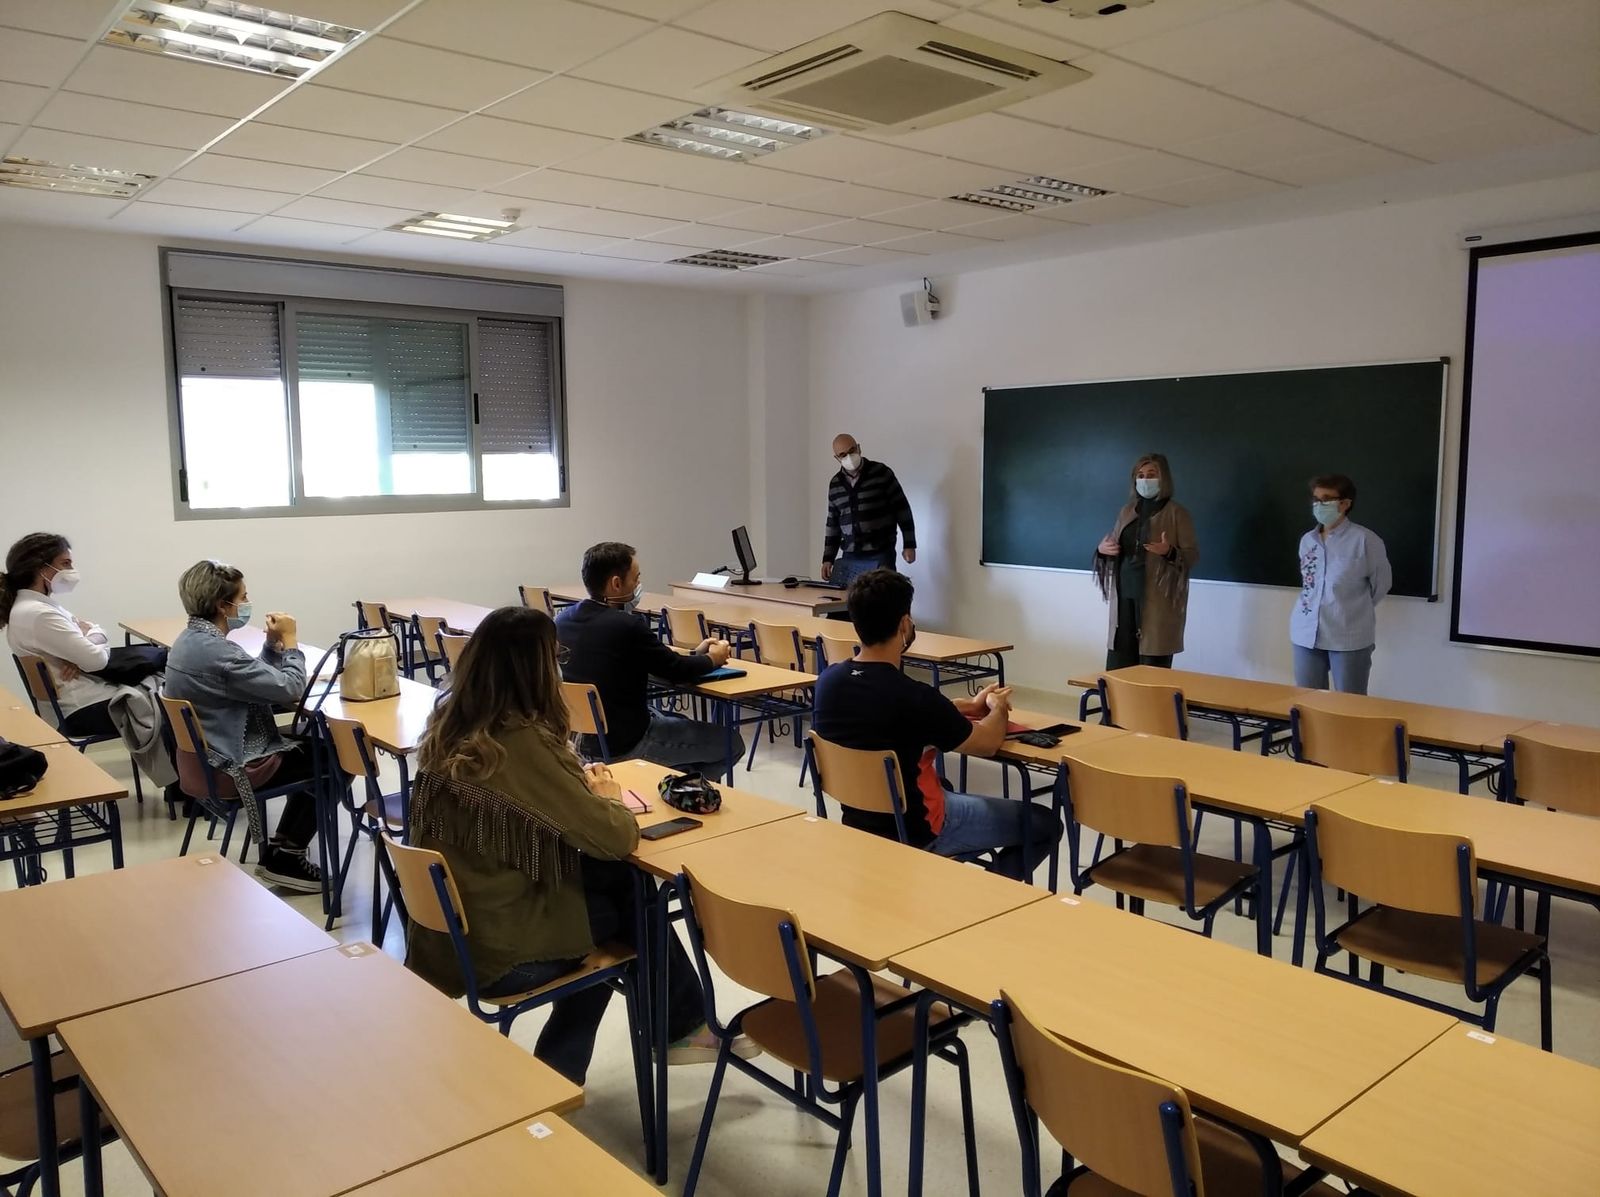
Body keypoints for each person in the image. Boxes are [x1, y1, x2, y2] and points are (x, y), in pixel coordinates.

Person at [405, 605, 751, 1082]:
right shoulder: (518, 741)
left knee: (616, 897)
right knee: (634, 901)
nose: (560, 666)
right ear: (536, 668)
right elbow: (615, 835)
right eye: (555, 656)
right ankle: (678, 1027)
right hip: (500, 949)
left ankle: (566, 1072)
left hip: (449, 933)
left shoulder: (452, 726)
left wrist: (570, 792)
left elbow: (528, 810)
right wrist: (603, 796)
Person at [810, 569, 1060, 881]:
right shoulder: (912, 697)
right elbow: (985, 742)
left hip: (858, 823)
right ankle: (989, 900)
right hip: (917, 831)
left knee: (944, 784)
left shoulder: (828, 682)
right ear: (904, 624)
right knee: (1044, 824)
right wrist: (997, 709)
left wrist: (966, 706)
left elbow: (909, 716)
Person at [163, 559, 323, 893]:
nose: (247, 604)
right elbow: (291, 688)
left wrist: (270, 647)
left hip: (200, 763)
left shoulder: (191, 641)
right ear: (223, 606)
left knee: (311, 744)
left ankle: (282, 848)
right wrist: (291, 644)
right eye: (243, 597)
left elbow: (253, 682)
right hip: (229, 767)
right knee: (330, 758)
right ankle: (287, 856)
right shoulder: (217, 652)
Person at [555, 542, 743, 774]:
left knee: (677, 719)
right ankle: (684, 792)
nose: (638, 586)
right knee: (731, 743)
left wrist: (696, 655)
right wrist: (713, 659)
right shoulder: (627, 625)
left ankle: (673, 781)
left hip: (584, 742)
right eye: (635, 579)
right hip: (627, 742)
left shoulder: (562, 621)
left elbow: (653, 659)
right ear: (616, 583)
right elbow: (675, 670)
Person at [2, 532, 120, 734]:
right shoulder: (39, 614)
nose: (72, 571)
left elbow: (87, 649)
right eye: (66, 563)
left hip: (70, 703)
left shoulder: (30, 608)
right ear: (42, 569)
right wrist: (95, 632)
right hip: (81, 707)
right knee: (163, 699)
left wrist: (84, 649)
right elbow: (96, 660)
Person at [1093, 453, 1199, 670]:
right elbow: (1113, 545)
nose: (1145, 479)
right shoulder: (1126, 511)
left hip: (1157, 603)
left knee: (1151, 670)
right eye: (1140, 475)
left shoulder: (1177, 513)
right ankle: (1120, 705)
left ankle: (1149, 705)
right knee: (1119, 667)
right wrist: (1102, 551)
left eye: (1151, 474)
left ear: (1164, 479)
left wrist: (1168, 551)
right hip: (1124, 601)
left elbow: (1191, 556)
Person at [1290, 474, 1392, 695]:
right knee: (1307, 703)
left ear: (1345, 503)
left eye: (1326, 499)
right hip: (1306, 633)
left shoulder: (1365, 540)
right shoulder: (1308, 540)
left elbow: (1381, 584)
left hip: (1349, 635)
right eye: (1316, 500)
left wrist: (1350, 607)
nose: (1319, 505)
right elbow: (1310, 584)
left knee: (1349, 706)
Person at [820, 433, 916, 588]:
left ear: (859, 448)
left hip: (881, 552)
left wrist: (909, 544)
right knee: (847, 604)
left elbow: (902, 508)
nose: (849, 457)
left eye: (852, 451)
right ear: (837, 458)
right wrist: (828, 559)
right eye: (843, 455)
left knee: (883, 599)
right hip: (850, 555)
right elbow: (833, 524)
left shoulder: (882, 473)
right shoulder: (835, 484)